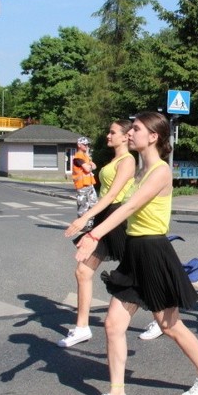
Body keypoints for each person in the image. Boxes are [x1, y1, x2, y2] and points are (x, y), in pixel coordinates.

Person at [74, 112, 198, 395]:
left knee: (169, 325)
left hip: (154, 253)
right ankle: (117, 394)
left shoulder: (160, 172)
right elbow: (116, 200)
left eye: (137, 129)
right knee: (113, 324)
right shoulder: (139, 170)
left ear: (153, 136)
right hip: (134, 252)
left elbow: (129, 206)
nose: (131, 134)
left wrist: (94, 233)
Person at [59, 120, 135, 348]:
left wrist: (84, 217)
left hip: (118, 219)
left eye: (112, 132)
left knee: (139, 271)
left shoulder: (128, 161)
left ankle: (163, 318)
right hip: (105, 219)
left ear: (125, 137)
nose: (108, 136)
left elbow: (112, 196)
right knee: (83, 271)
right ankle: (82, 327)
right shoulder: (114, 160)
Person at [72, 136, 98, 232]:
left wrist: (89, 166)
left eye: (87, 144)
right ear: (79, 145)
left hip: (89, 184)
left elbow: (94, 166)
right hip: (82, 185)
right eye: (84, 144)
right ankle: (81, 226)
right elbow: (88, 168)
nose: (86, 146)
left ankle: (90, 224)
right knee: (83, 206)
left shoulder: (85, 156)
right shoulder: (78, 157)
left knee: (93, 204)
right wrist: (90, 166)